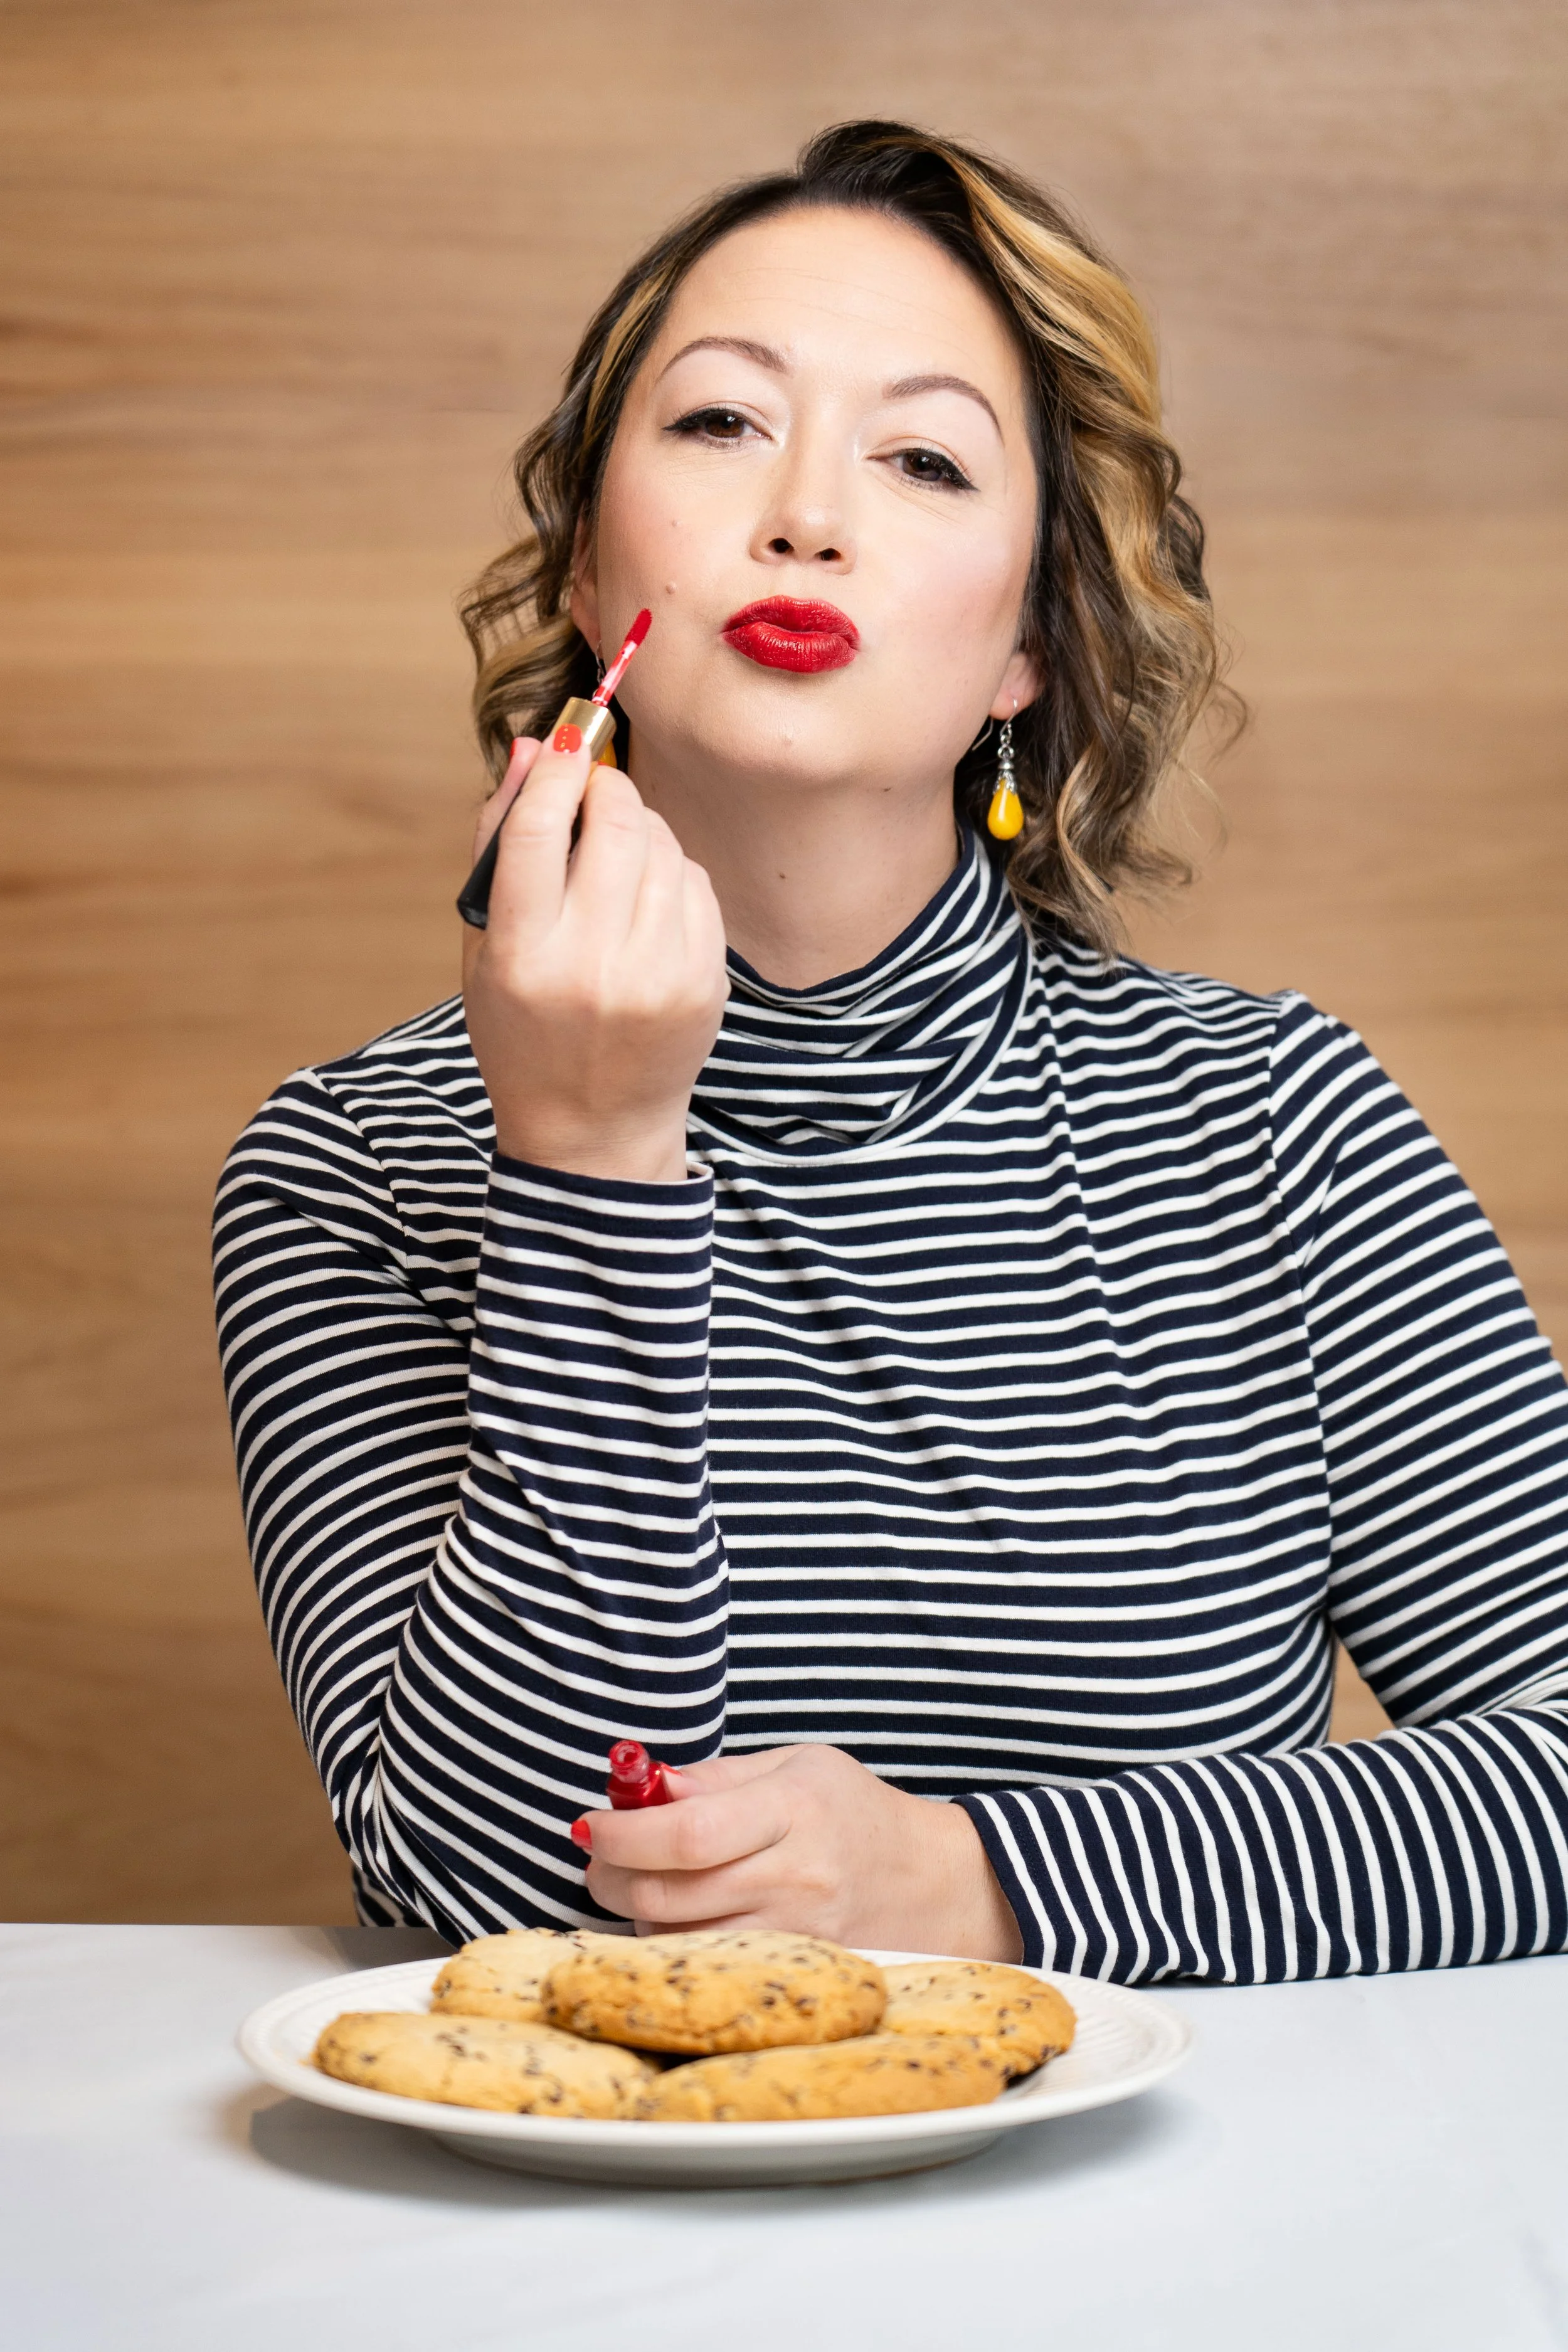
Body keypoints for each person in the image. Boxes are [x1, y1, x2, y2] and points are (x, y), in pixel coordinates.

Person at [214, 120, 1568, 1978]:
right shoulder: (349, 1165)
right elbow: (483, 1897)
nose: (807, 514)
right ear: (588, 566)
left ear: (1026, 640)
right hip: (595, 2246)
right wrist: (591, 1162)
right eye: (715, 425)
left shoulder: (1278, 1123)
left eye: (921, 457)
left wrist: (983, 1883)